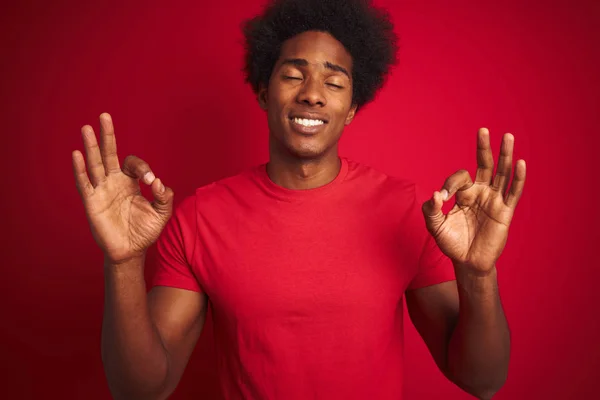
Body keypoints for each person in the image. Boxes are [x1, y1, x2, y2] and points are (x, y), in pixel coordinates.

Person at [71, 0, 526, 399]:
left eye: (334, 82)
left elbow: (481, 379)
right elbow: (140, 389)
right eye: (293, 75)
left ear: (351, 108)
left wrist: (478, 273)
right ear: (265, 93)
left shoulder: (407, 210)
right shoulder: (200, 217)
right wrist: (124, 263)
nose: (311, 94)